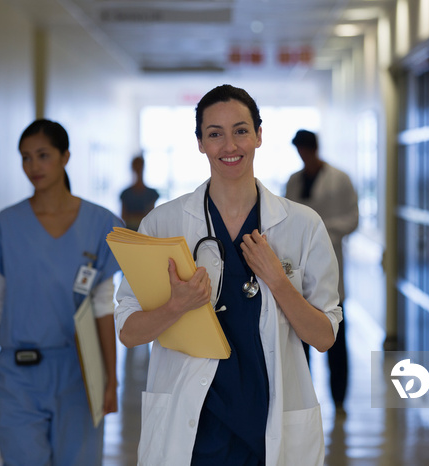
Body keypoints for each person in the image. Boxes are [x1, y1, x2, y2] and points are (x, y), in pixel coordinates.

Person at [115, 84, 342, 465]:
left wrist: (277, 280)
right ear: (200, 143)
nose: (229, 146)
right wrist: (177, 306)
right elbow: (128, 331)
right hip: (193, 431)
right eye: (215, 134)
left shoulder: (303, 225)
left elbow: (323, 336)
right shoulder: (164, 223)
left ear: (258, 135)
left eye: (240, 130)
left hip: (269, 428)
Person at [0, 119, 122, 464]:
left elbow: (102, 307)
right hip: (15, 378)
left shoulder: (100, 224)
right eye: (25, 157)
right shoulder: (4, 227)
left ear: (65, 156)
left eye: (43, 155)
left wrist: (112, 379)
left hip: (79, 373)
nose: (33, 166)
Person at [285, 129, 358, 414]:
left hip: (331, 263)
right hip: (298, 270)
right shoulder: (293, 181)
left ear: (313, 149)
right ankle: (305, 397)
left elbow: (353, 219)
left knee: (335, 335)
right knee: (300, 336)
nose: (302, 156)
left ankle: (339, 398)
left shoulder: (340, 179)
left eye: (304, 150)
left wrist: (319, 230)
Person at [120, 153, 159, 230]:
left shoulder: (151, 193)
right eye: (136, 166)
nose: (138, 169)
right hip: (130, 233)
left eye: (140, 166)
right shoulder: (125, 194)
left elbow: (151, 216)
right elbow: (123, 216)